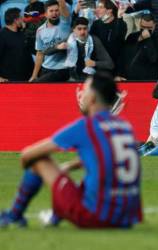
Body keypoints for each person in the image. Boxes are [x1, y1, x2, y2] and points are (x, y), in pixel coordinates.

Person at [0, 73, 143, 228]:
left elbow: (27, 155)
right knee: (86, 180)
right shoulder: (124, 126)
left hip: (96, 217)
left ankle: (14, 215)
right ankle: (56, 215)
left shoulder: (86, 126)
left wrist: (34, 168)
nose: (81, 94)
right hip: (128, 217)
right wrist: (69, 166)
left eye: (85, 90)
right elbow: (108, 157)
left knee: (39, 161)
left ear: (93, 98)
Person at [30, 0, 71, 82]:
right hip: (47, 70)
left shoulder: (65, 23)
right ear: (45, 14)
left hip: (64, 70)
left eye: (56, 10)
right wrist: (34, 75)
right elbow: (39, 54)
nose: (54, 13)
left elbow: (62, 6)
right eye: (51, 11)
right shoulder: (40, 30)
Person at [62, 17, 114, 81]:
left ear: (88, 29)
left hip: (90, 78)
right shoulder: (69, 40)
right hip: (72, 78)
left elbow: (110, 64)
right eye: (79, 29)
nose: (82, 32)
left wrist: (94, 63)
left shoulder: (95, 40)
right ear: (74, 30)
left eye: (85, 29)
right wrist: (57, 48)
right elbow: (48, 51)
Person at [119, 13, 158, 80]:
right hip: (129, 77)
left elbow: (154, 59)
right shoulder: (132, 37)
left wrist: (148, 40)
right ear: (139, 24)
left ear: (154, 26)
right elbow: (124, 56)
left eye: (149, 28)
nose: (145, 30)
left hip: (148, 79)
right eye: (143, 27)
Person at [90, 0, 127, 79]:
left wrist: (120, 17)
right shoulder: (96, 24)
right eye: (97, 7)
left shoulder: (120, 23)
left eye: (100, 7)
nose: (97, 10)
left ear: (110, 10)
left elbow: (119, 37)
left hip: (116, 67)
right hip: (100, 67)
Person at [0, 8, 34, 82]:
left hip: (27, 78)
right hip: (10, 80)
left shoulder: (22, 33)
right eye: (21, 17)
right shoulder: (2, 35)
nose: (23, 19)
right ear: (16, 20)